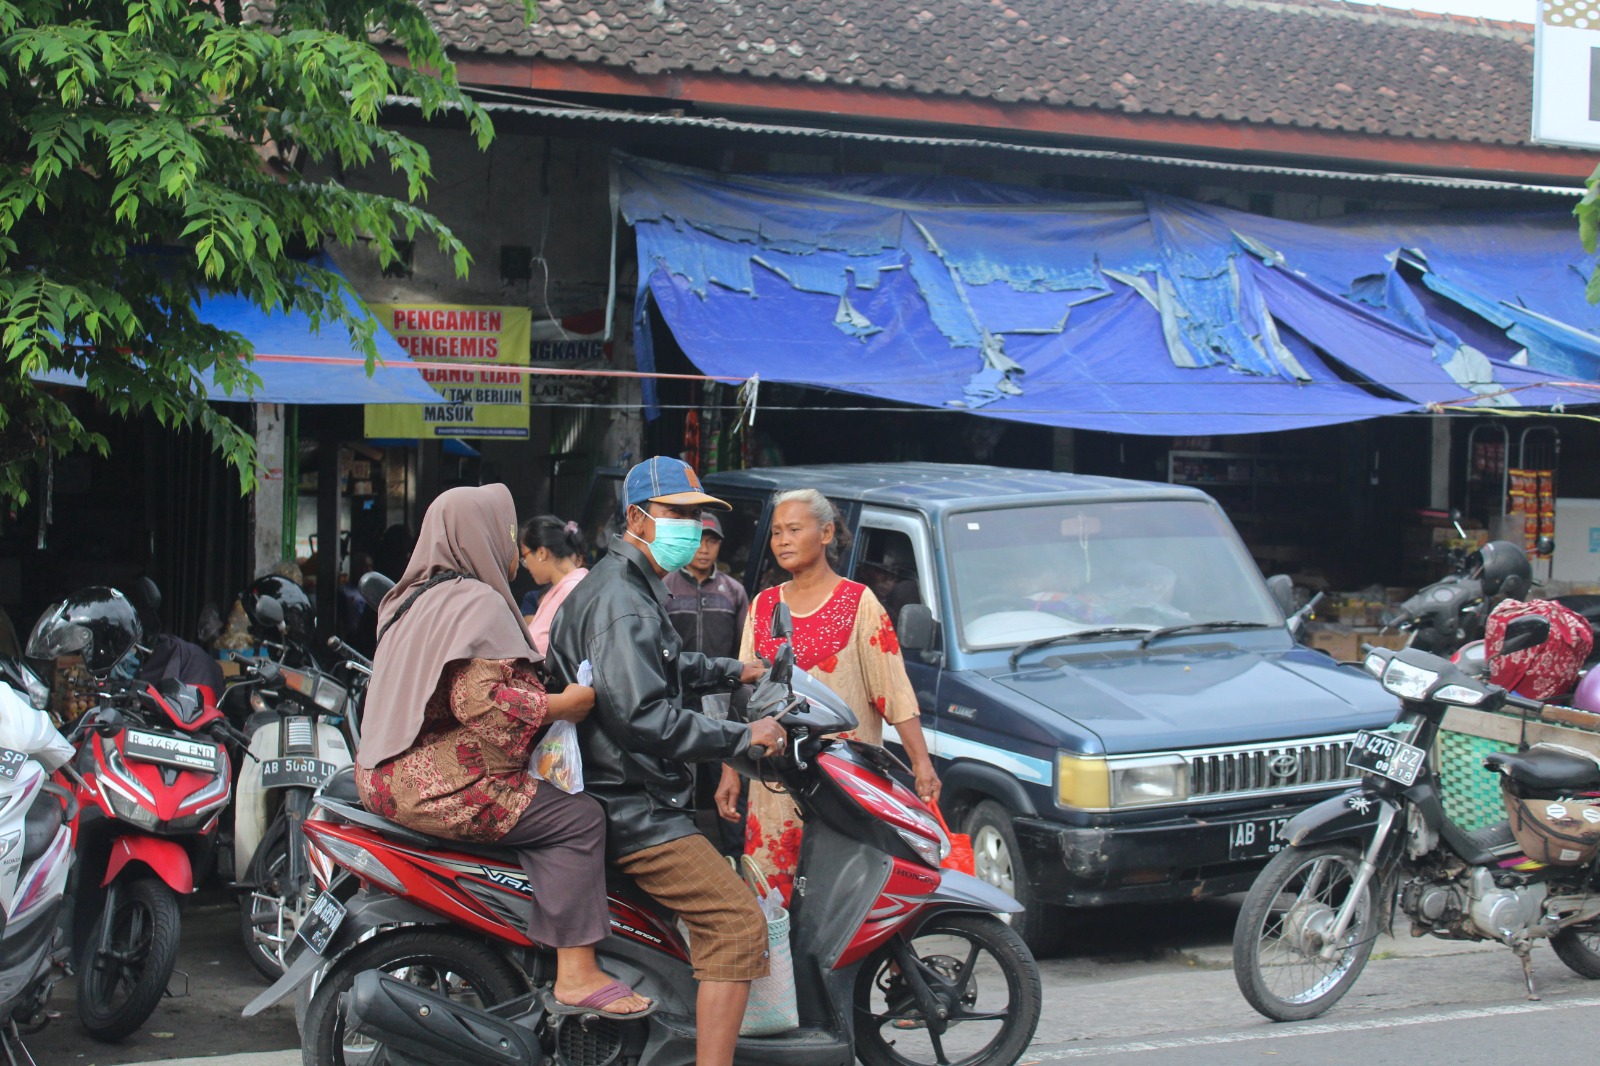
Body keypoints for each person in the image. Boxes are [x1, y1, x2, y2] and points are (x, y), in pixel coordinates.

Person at [354, 484, 651, 1019]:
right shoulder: (477, 601)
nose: (513, 549)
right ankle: (577, 973)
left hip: (381, 775)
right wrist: (564, 704)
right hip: (444, 783)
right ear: (482, 535)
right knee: (579, 819)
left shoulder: (411, 597)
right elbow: (482, 702)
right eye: (508, 534)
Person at [546, 457, 786, 1066]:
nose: (690, 527)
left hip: (625, 791)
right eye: (676, 514)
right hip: (633, 804)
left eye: (696, 515)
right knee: (736, 924)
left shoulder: (626, 587)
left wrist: (738, 668)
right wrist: (740, 737)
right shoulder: (623, 599)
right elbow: (644, 716)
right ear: (637, 518)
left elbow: (665, 666)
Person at [718, 488, 942, 905]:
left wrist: (921, 764)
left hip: (844, 782)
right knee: (775, 903)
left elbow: (892, 692)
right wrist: (731, 772)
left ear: (825, 534)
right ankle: (781, 974)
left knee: (844, 898)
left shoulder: (860, 604)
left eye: (794, 530)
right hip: (775, 785)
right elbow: (743, 696)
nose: (782, 540)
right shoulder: (763, 606)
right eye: (776, 532)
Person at [665, 512, 751, 854]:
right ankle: (686, 854)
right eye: (698, 540)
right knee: (679, 778)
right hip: (678, 697)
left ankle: (735, 859)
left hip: (721, 698)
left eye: (712, 541)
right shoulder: (666, 587)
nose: (704, 549)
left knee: (728, 776)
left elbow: (744, 650)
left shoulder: (733, 592)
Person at [518, 516, 588, 658]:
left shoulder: (573, 589)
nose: (526, 565)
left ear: (542, 553)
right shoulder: (564, 587)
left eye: (524, 557)